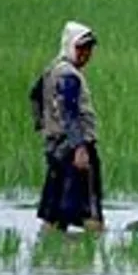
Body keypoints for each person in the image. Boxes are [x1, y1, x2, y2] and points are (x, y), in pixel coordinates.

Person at [31, 20, 105, 233]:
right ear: (70, 45)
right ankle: (92, 256)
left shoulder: (52, 70)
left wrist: (44, 127)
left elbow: (35, 97)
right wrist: (80, 148)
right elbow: (70, 113)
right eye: (81, 48)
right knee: (90, 212)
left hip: (56, 149)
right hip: (76, 150)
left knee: (53, 214)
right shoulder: (69, 76)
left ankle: (51, 258)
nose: (86, 53)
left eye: (89, 49)